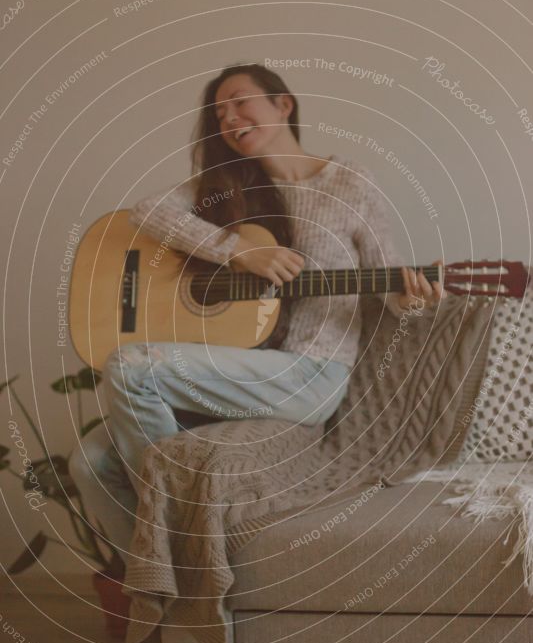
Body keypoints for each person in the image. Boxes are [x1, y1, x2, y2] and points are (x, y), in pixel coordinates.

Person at [68, 62, 445, 564]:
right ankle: (167, 581)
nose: (229, 117)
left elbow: (388, 283)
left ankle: (176, 542)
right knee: (90, 462)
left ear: (282, 104)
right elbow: (147, 211)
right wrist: (237, 250)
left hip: (308, 373)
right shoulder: (229, 190)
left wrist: (412, 301)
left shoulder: (349, 182)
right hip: (230, 372)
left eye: (240, 101)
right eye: (219, 112)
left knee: (130, 364)